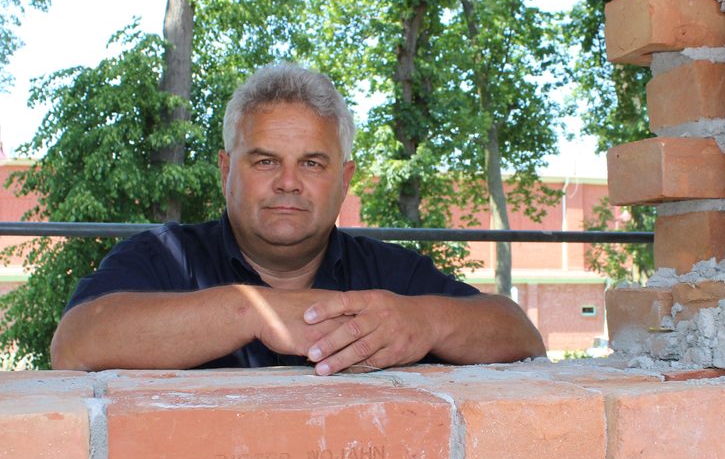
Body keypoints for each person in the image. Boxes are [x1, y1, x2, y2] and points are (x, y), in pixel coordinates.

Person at [50, 63, 545, 373]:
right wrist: (252, 311)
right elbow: (74, 344)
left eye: (312, 163)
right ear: (226, 169)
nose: (288, 182)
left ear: (345, 177)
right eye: (265, 161)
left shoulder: (389, 276)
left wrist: (428, 322)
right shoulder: (164, 256)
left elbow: (520, 335)